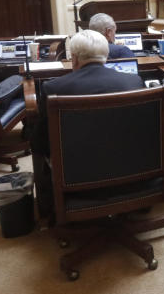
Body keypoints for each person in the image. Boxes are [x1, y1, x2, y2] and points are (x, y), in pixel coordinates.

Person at [30, 29, 145, 213]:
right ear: (106, 55)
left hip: (75, 179)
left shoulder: (53, 88)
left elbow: (39, 142)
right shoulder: (134, 82)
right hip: (132, 173)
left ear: (74, 58)